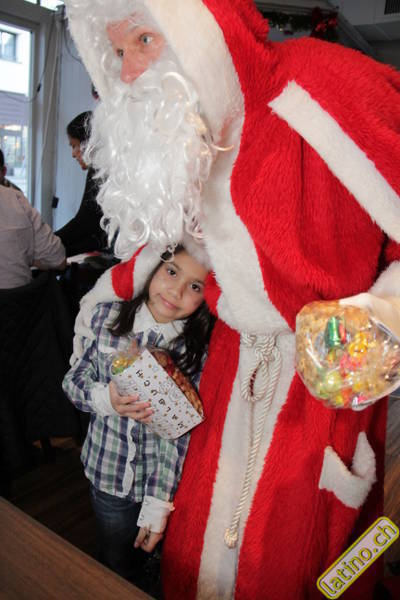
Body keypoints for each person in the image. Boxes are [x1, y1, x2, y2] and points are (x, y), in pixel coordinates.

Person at [64, 1, 400, 598]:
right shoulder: (192, 131)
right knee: (195, 557)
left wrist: (378, 324)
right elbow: (168, 255)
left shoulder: (322, 83)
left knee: (303, 566)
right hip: (226, 369)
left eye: (144, 40)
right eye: (116, 52)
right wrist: (98, 305)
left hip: (325, 374)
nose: (130, 71)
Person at [62, 245, 214, 584]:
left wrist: (159, 502)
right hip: (108, 475)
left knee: (152, 560)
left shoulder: (194, 351)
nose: (176, 291)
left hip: (158, 481)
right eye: (171, 272)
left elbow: (177, 435)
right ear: (150, 268)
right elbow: (73, 383)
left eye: (195, 286)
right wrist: (107, 399)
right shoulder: (107, 319)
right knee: (116, 559)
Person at [55, 111, 107, 257]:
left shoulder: (99, 171)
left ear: (87, 143)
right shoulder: (102, 169)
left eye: (74, 146)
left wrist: (50, 241)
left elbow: (85, 222)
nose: (73, 154)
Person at [0, 185, 66, 289]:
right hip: (18, 296)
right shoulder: (14, 199)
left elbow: (58, 260)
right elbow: (59, 261)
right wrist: (24, 259)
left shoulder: (14, 197)